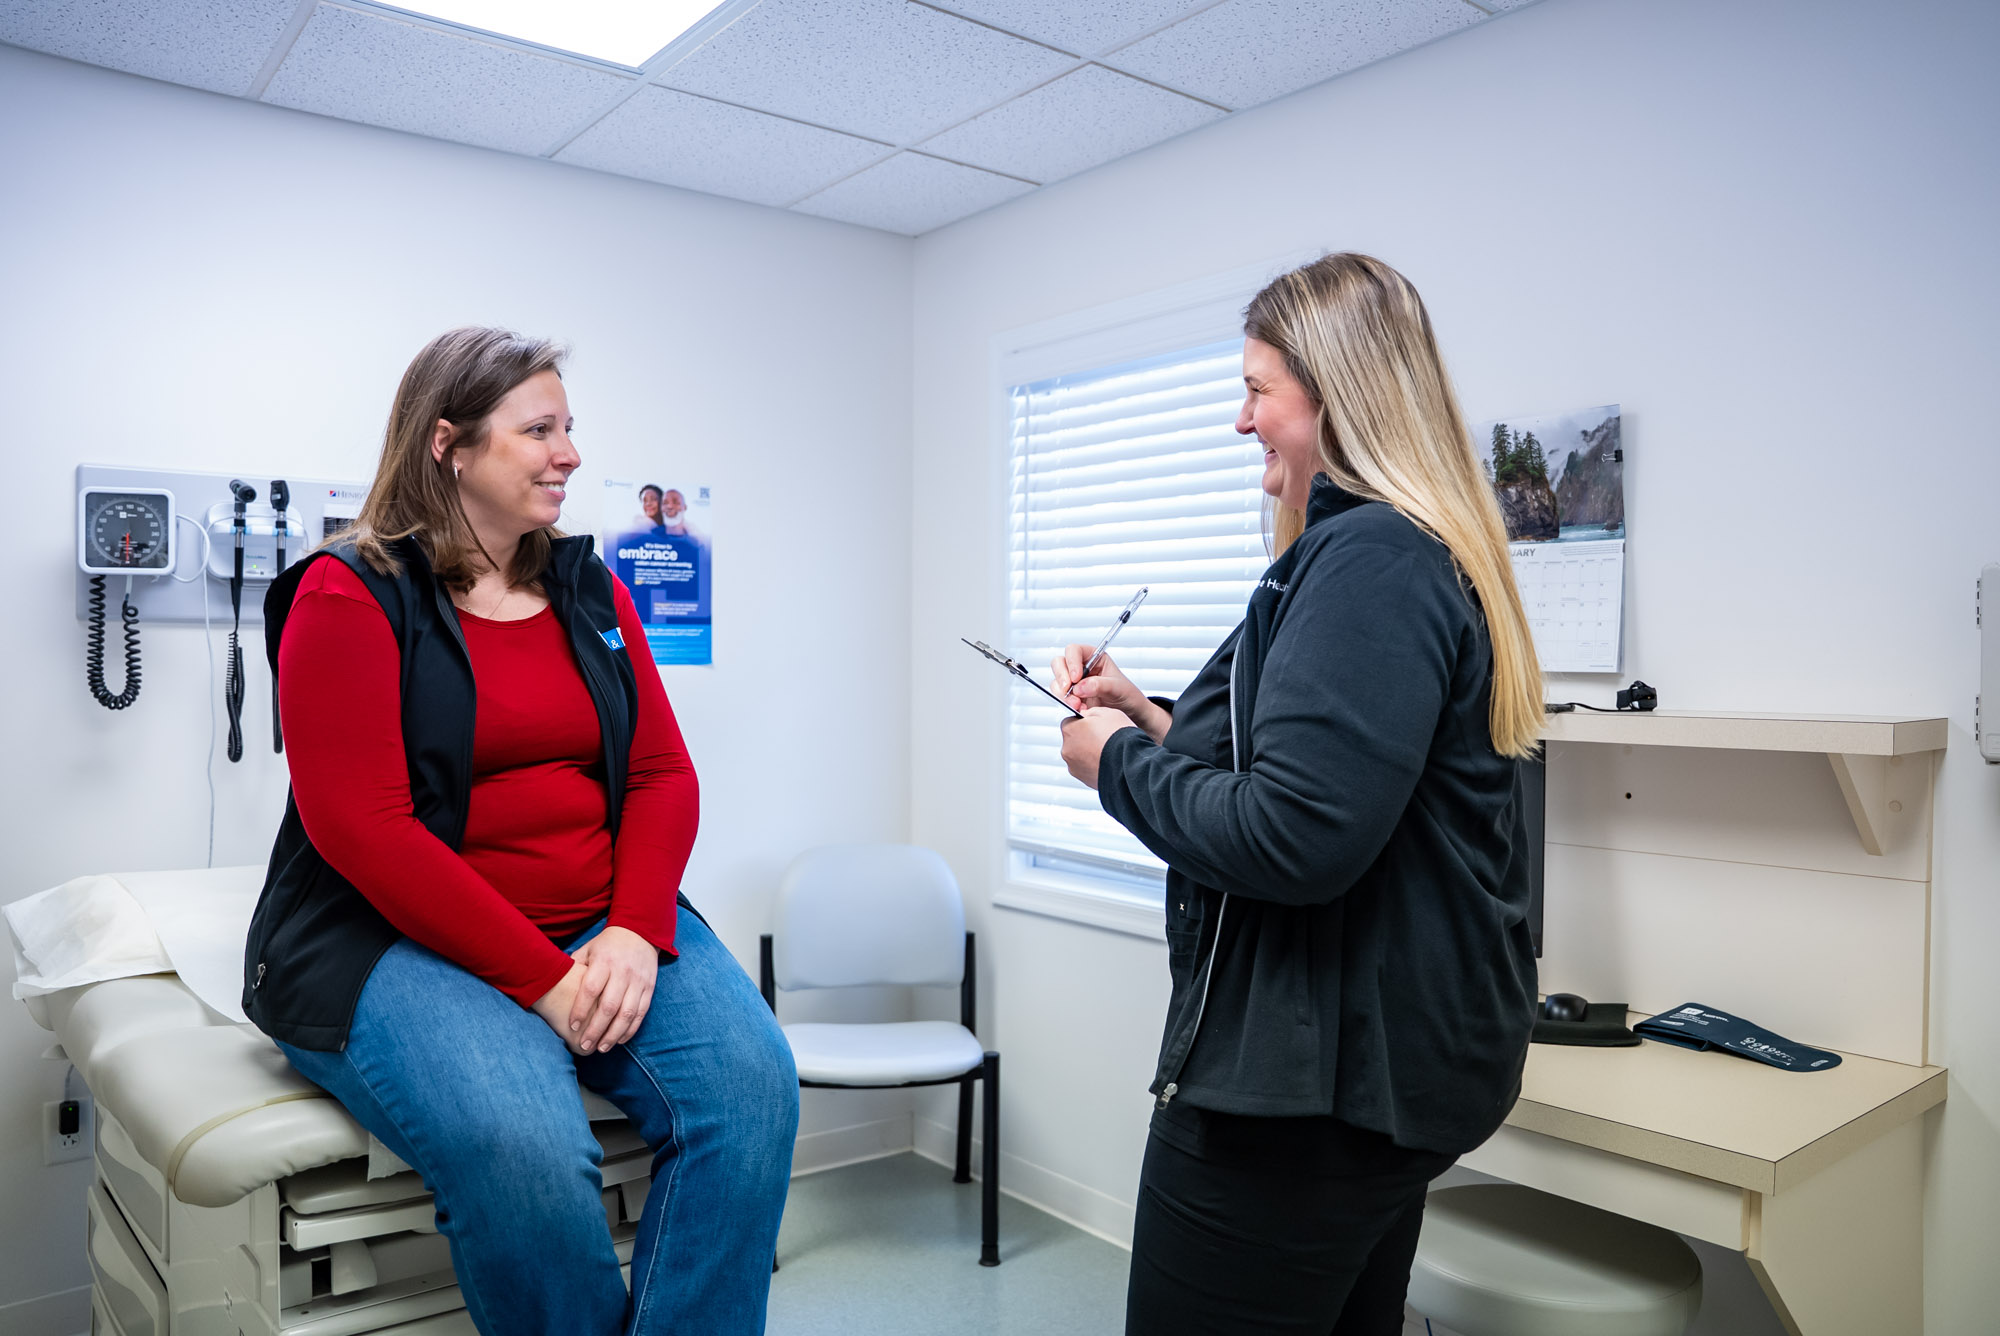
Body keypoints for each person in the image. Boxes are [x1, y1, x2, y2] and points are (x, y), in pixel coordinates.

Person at [241, 327, 798, 1336]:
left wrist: (632, 930)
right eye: (538, 429)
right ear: (448, 445)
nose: (570, 453)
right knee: (525, 1148)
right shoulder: (349, 592)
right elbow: (362, 828)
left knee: (752, 1090)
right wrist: (544, 978)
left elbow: (662, 772)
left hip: (599, 919)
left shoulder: (590, 588)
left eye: (569, 428)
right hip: (404, 941)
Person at [1052, 254, 1541, 1335]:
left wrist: (1113, 767)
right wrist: (1148, 719)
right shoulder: (1403, 551)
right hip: (1371, 1086)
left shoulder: (1369, 558)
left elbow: (1296, 832)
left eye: (1254, 389)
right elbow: (1316, 772)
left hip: (1306, 1101)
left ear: (1334, 395)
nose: (1240, 422)